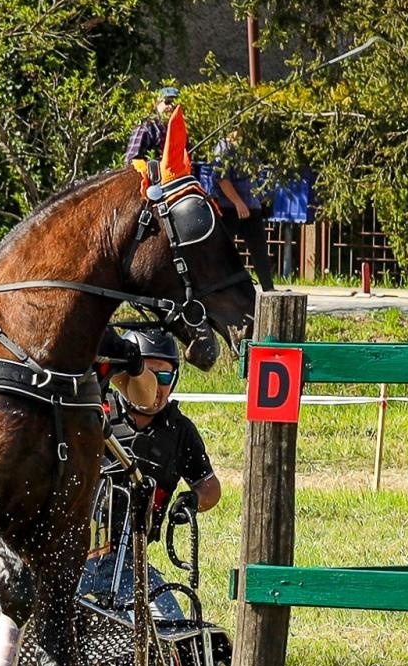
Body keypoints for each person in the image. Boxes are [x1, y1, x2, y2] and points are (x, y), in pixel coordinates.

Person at [78, 328, 221, 622]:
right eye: (148, 375)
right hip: (75, 557)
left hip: (131, 561)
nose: (156, 387)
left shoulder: (179, 430)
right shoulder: (95, 412)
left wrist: (194, 500)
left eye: (165, 377)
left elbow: (209, 483)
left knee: (173, 626)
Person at [211, 130, 276, 292]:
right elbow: (221, 178)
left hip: (251, 206)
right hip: (229, 207)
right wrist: (238, 202)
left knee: (259, 249)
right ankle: (218, 288)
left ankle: (268, 289)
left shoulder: (250, 148)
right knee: (223, 250)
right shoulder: (223, 147)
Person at [124, 86, 180, 169]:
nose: (171, 107)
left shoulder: (177, 129)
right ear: (157, 103)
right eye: (167, 102)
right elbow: (131, 160)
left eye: (175, 104)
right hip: (150, 178)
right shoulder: (146, 127)